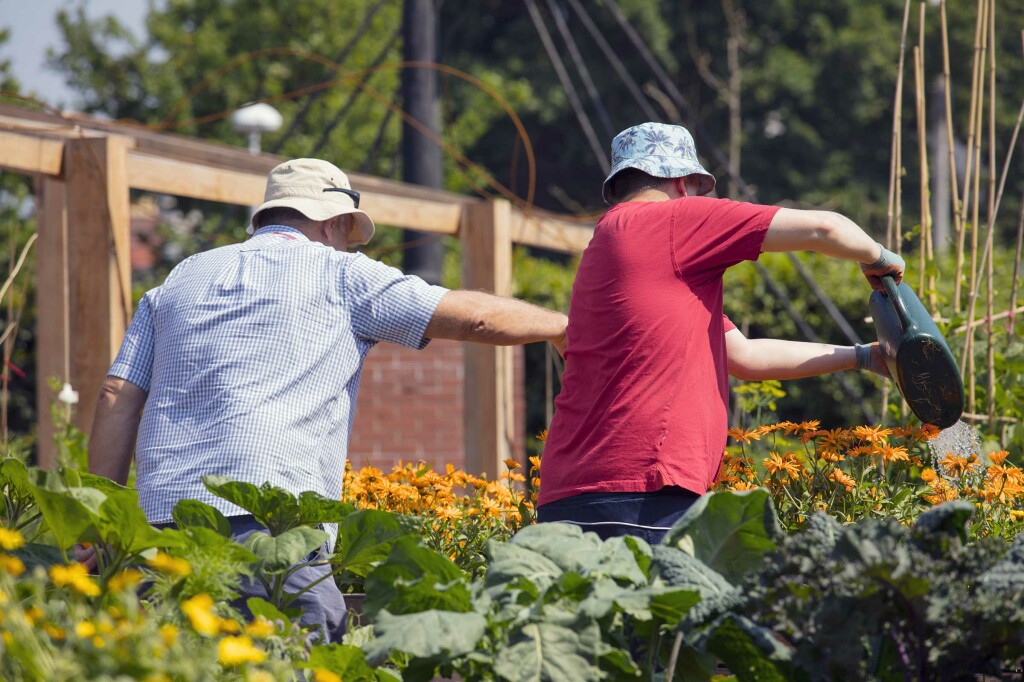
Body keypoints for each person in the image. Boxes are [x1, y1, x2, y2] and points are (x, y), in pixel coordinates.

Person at [82, 158, 568, 643]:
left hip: (160, 525)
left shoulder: (181, 278)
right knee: (297, 664)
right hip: (272, 527)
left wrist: (103, 526)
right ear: (332, 222)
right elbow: (475, 320)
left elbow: (115, 395)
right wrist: (564, 326)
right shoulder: (340, 273)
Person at [536, 122, 903, 544]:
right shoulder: (672, 220)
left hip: (568, 496)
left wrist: (861, 356)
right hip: (642, 489)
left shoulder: (611, 247)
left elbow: (744, 357)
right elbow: (826, 229)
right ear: (681, 181)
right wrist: (880, 259)